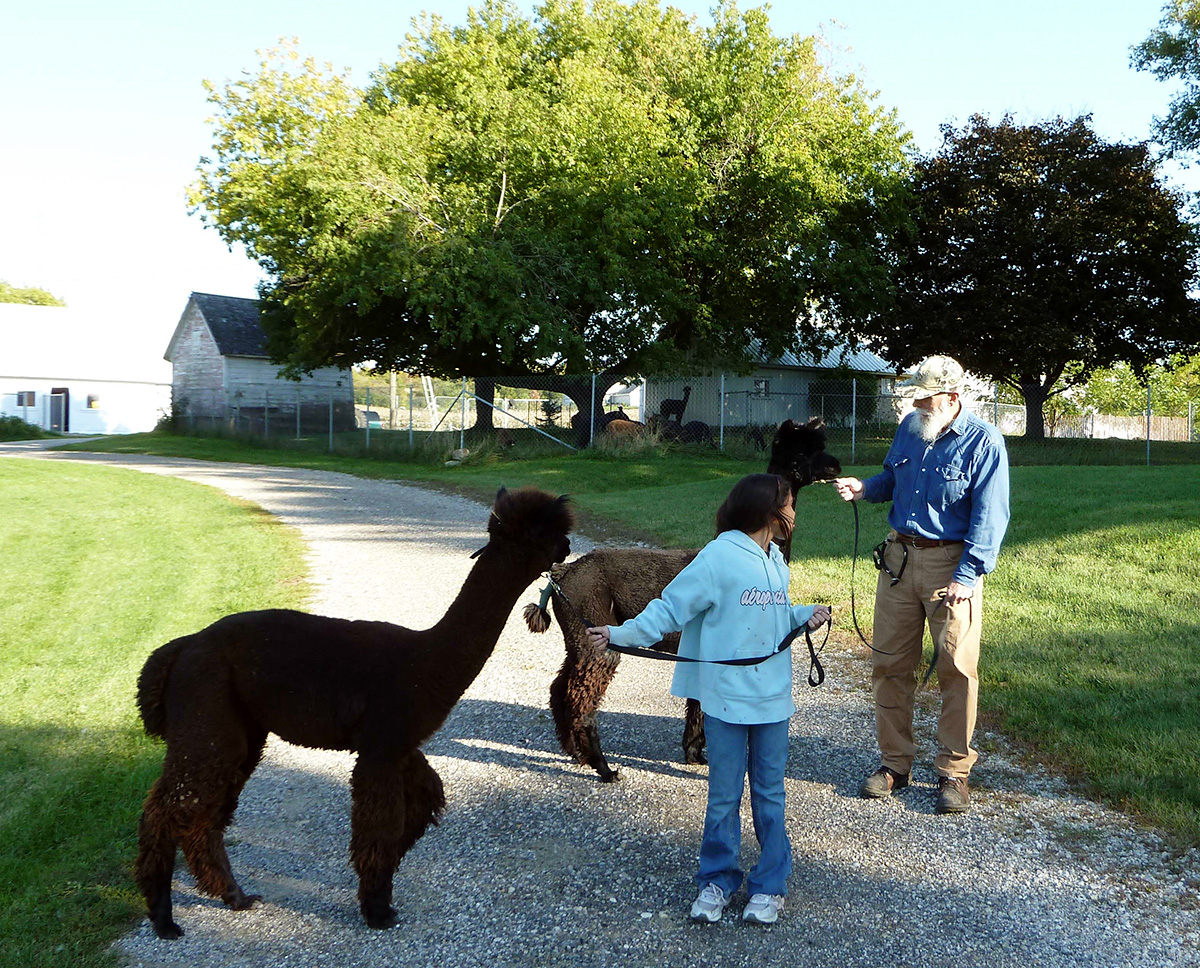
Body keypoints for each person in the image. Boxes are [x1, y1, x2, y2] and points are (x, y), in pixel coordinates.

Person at [586, 474, 830, 925]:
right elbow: (669, 608)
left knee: (770, 795)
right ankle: (717, 880)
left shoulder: (777, 560)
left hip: (773, 700)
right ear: (768, 509)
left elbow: (772, 618)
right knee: (723, 795)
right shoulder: (719, 556)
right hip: (726, 702)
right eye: (790, 504)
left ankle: (770, 885)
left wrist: (802, 616)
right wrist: (619, 634)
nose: (795, 512)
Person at [833, 355, 1010, 815]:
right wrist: (864, 488)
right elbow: (894, 478)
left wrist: (967, 576)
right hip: (898, 560)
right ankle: (895, 763)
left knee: (957, 668)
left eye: (925, 397)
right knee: (889, 663)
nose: (916, 404)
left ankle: (954, 771)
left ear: (952, 398)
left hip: (951, 567)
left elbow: (990, 518)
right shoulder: (912, 427)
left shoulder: (984, 442)